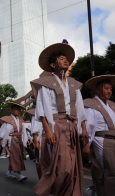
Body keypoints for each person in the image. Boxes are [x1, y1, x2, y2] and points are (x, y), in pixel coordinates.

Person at [30, 40, 89, 196]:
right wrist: (48, 130)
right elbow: (42, 109)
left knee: (74, 166)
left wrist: (83, 128)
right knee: (63, 168)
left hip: (72, 127)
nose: (65, 60)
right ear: (53, 65)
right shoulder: (47, 84)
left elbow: (80, 107)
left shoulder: (74, 84)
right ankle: (50, 191)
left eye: (66, 59)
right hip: (57, 126)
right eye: (61, 58)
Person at [83, 75, 115, 196]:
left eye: (110, 89)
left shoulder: (111, 105)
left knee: (108, 170)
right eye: (106, 88)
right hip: (101, 141)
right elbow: (89, 127)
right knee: (108, 170)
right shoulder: (91, 104)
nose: (109, 91)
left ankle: (94, 189)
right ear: (97, 90)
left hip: (113, 139)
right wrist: (86, 145)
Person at [0, 100, 28, 181]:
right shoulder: (8, 120)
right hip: (11, 139)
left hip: (19, 139)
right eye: (16, 109)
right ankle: (19, 174)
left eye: (19, 110)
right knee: (15, 156)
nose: (18, 111)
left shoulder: (21, 120)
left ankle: (9, 171)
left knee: (16, 156)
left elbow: (24, 131)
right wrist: (0, 140)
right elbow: (3, 130)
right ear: (12, 110)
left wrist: (25, 140)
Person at [26, 108, 43, 179]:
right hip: (41, 140)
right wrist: (36, 141)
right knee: (41, 162)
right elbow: (34, 130)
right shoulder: (35, 115)